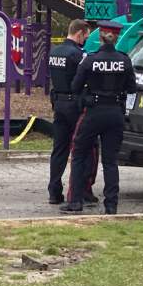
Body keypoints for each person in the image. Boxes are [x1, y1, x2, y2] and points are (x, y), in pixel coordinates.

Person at [60, 19, 137, 215]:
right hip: (115, 113)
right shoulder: (125, 60)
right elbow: (132, 88)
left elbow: (75, 87)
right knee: (110, 161)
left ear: (100, 37)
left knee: (78, 154)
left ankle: (75, 201)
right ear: (117, 37)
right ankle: (111, 205)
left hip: (93, 113)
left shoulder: (90, 60)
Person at [46, 19, 97, 205]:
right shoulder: (78, 54)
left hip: (58, 104)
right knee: (85, 147)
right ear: (79, 33)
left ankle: (54, 191)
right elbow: (86, 79)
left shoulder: (54, 52)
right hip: (75, 105)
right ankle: (82, 190)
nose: (86, 40)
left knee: (59, 149)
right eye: (86, 37)